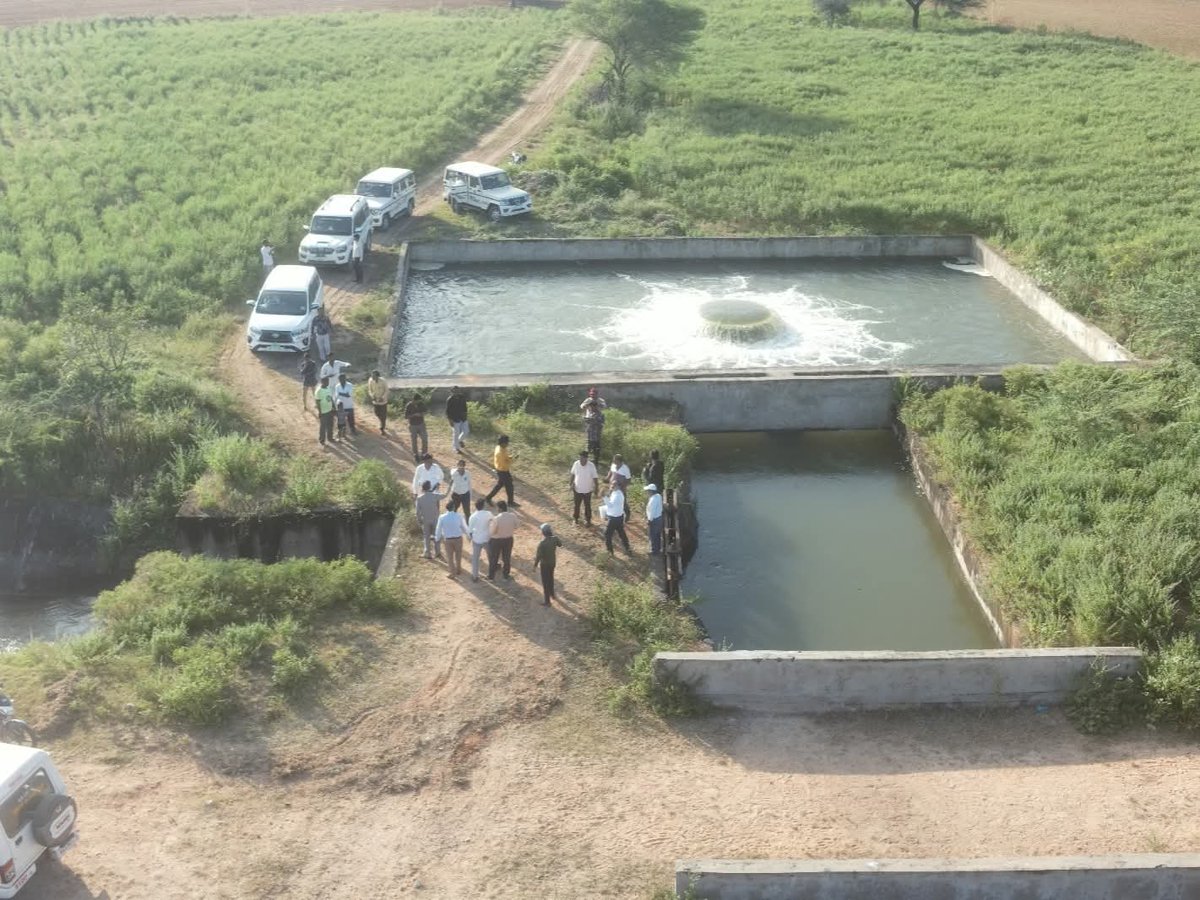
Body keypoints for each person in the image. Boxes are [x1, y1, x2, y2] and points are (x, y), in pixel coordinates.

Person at [533, 523, 563, 607]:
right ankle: (552, 594)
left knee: (545, 582)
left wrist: (535, 566)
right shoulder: (555, 539)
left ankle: (547, 601)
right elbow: (560, 544)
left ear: (543, 533)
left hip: (545, 565)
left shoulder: (542, 543)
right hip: (552, 563)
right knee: (551, 579)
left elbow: (538, 556)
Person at [414, 481, 445, 561]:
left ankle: (427, 553)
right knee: (436, 536)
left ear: (422, 488)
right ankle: (437, 552)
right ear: (429, 487)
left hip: (425, 520)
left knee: (426, 537)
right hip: (435, 519)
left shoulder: (419, 498)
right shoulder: (434, 496)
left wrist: (419, 520)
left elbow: (417, 512)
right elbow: (445, 495)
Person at [435, 501, 467, 578]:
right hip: (458, 539)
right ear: (453, 507)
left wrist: (437, 538)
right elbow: (464, 527)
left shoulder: (442, 517)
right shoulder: (459, 516)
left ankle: (452, 573)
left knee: (450, 557)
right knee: (458, 555)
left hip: (448, 540)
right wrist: (469, 535)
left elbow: (438, 529)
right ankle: (459, 569)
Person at [487, 500, 517, 580]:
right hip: (509, 539)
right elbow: (516, 526)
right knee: (507, 558)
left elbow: (492, 532)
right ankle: (506, 575)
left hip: (497, 541)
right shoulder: (513, 516)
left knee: (494, 558)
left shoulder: (496, 519)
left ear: (499, 509)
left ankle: (491, 576)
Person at [569, 449, 599, 525]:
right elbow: (572, 474)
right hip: (577, 489)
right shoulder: (576, 464)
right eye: (580, 458)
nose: (581, 460)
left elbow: (595, 478)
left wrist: (596, 489)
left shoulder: (591, 466)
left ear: (586, 458)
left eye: (583, 458)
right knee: (576, 505)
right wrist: (570, 484)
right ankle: (575, 518)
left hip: (587, 490)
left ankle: (588, 520)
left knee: (587, 506)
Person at [467, 497, 494, 583]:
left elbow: (470, 530)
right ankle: (491, 573)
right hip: (487, 539)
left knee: (475, 558)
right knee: (491, 556)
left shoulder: (473, 516)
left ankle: (475, 576)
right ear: (483, 505)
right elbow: (493, 522)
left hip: (477, 539)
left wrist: (471, 538)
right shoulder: (488, 513)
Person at [484, 435, 516, 507]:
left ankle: (488, 498)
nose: (508, 444)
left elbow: (506, 458)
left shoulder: (500, 447)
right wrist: (513, 459)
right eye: (507, 442)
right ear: (503, 443)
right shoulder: (501, 452)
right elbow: (506, 463)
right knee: (509, 486)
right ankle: (510, 502)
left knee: (500, 485)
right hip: (503, 471)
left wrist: (510, 457)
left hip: (501, 470)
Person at [600, 485, 631, 556]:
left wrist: (604, 496)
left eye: (612, 485)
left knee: (608, 534)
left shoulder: (617, 495)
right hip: (619, 517)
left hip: (614, 518)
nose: (611, 486)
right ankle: (627, 548)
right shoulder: (618, 493)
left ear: (617, 487)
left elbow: (610, 505)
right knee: (621, 533)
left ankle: (610, 551)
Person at [404, 394, 428, 462]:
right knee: (414, 441)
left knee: (425, 439)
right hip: (412, 425)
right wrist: (414, 415)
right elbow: (406, 416)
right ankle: (416, 454)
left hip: (421, 424)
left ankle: (424, 454)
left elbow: (425, 411)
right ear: (414, 400)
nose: (419, 401)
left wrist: (421, 414)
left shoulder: (421, 404)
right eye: (418, 400)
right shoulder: (409, 405)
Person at [445, 386, 469, 453]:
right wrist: (450, 420)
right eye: (454, 391)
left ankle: (459, 441)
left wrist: (466, 415)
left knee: (466, 431)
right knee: (456, 433)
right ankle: (456, 448)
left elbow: (465, 407)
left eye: (457, 390)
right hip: (455, 418)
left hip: (463, 417)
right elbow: (447, 411)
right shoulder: (450, 399)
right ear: (452, 391)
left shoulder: (462, 397)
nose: (456, 392)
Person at [609, 453, 632, 521]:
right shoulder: (613, 465)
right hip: (613, 486)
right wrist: (608, 478)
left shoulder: (625, 468)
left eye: (615, 460)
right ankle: (613, 514)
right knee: (612, 500)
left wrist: (623, 486)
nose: (613, 461)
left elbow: (628, 479)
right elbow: (610, 472)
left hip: (621, 487)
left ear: (619, 461)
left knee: (623, 502)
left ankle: (627, 514)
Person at [334, 372, 357, 437]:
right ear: (339, 379)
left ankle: (353, 431)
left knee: (351, 419)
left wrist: (340, 393)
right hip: (341, 405)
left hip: (349, 405)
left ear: (345, 378)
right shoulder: (337, 386)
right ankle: (341, 433)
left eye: (343, 378)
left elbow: (348, 395)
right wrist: (344, 394)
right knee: (341, 421)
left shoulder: (350, 385)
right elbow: (337, 395)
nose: (341, 380)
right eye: (340, 379)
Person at [367, 370, 389, 435]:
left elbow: (387, 390)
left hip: (383, 401)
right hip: (375, 401)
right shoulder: (370, 380)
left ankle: (382, 428)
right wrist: (372, 396)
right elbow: (370, 390)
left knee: (383, 415)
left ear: (377, 376)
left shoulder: (383, 381)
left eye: (374, 376)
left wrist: (382, 398)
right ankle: (382, 422)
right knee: (377, 413)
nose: (372, 377)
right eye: (372, 375)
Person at [314, 376, 335, 445]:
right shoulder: (319, 390)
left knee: (330, 425)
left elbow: (331, 398)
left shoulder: (328, 388)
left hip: (329, 409)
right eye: (326, 382)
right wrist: (320, 412)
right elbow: (317, 402)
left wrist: (334, 407)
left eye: (328, 381)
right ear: (322, 382)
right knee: (323, 426)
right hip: (323, 411)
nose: (327, 383)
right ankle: (322, 440)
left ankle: (330, 438)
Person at [645, 484, 664, 555]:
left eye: (647, 491)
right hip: (659, 518)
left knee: (653, 535)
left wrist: (649, 520)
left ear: (651, 491)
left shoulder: (653, 500)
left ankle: (654, 551)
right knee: (657, 535)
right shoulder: (658, 496)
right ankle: (658, 549)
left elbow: (652, 511)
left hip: (654, 519)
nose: (646, 492)